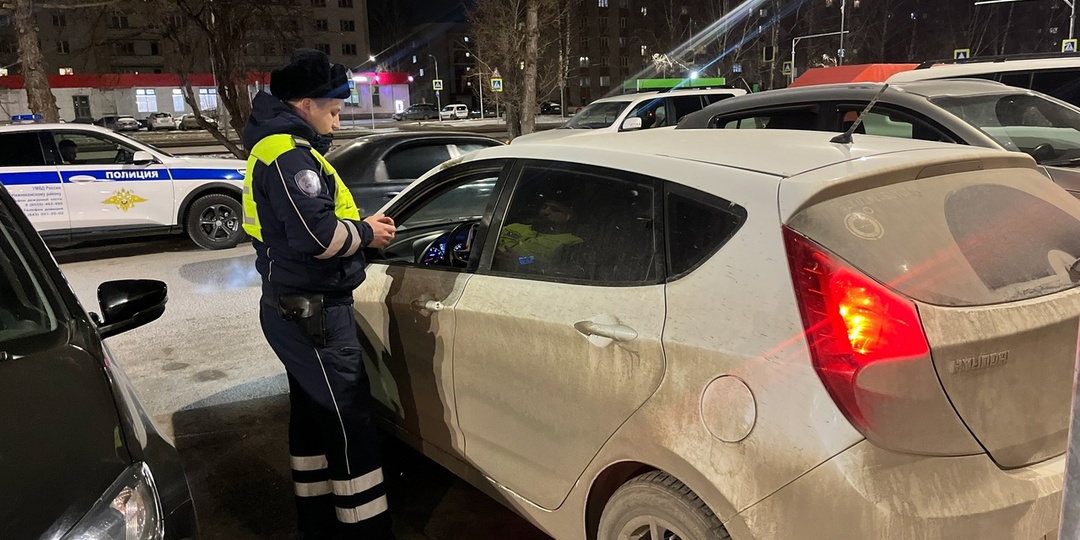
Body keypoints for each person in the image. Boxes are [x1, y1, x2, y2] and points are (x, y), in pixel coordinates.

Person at [241, 48, 397, 539]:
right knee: (349, 423)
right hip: (315, 313)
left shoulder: (276, 148)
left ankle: (317, 521)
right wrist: (368, 233)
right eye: (333, 108)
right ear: (305, 104)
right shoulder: (289, 154)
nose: (340, 116)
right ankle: (366, 531)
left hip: (295, 306)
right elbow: (318, 237)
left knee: (311, 419)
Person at [494, 191, 584, 273]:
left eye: (555, 210)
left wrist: (522, 260)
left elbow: (557, 269)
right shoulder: (514, 226)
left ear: (570, 217)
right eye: (544, 207)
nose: (546, 211)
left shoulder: (571, 242)